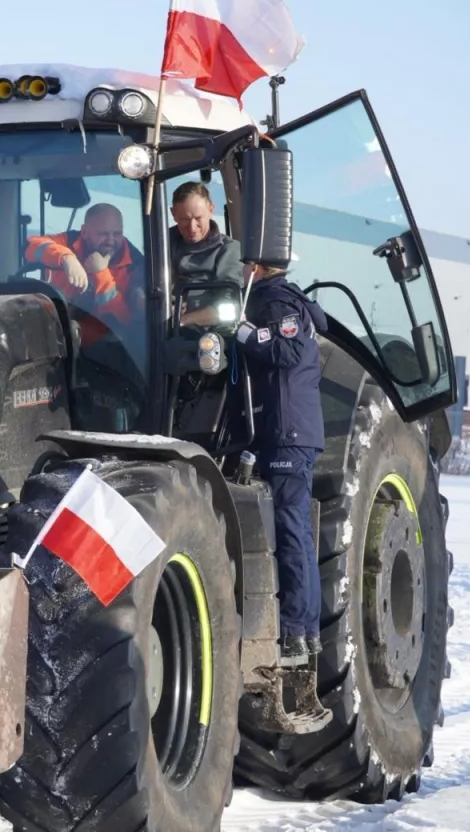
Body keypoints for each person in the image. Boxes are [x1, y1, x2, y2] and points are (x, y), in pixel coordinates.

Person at [233, 253, 328, 661]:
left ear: (256, 267)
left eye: (242, 264)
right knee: (299, 533)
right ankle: (305, 629)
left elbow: (286, 351)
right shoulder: (293, 301)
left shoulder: (275, 301)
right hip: (295, 432)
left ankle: (293, 630)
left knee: (290, 532)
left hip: (287, 432)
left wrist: (242, 334)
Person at [23, 202, 144, 345]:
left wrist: (101, 274)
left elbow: (124, 321)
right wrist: (66, 258)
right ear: (85, 232)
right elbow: (31, 246)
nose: (111, 241)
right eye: (103, 234)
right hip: (50, 332)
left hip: (102, 351)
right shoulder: (69, 242)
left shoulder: (135, 265)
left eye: (117, 234)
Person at [169, 182, 243, 326]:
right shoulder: (161, 244)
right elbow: (141, 286)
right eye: (185, 219)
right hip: (157, 332)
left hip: (210, 336)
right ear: (173, 214)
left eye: (198, 218)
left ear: (211, 210)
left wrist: (182, 321)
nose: (192, 227)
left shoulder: (228, 251)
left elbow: (230, 306)